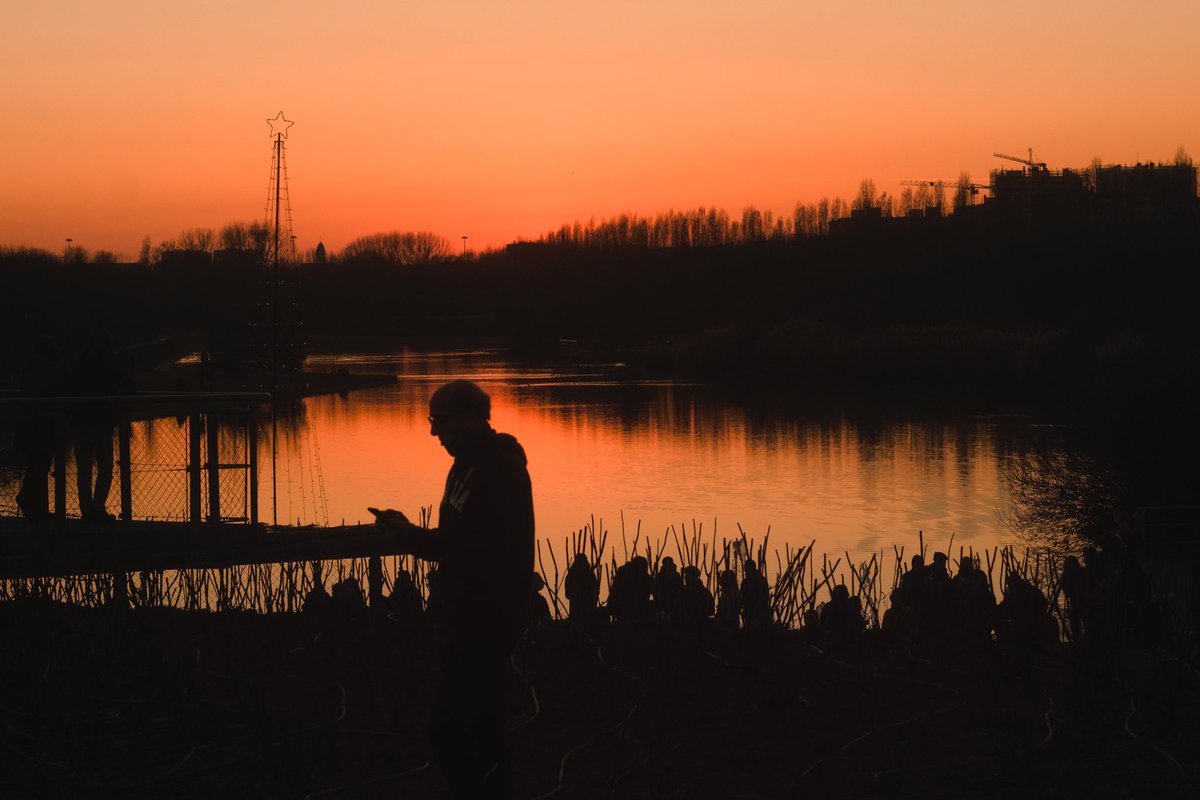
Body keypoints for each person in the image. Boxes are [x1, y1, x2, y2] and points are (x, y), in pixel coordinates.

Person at [372, 379, 534, 799]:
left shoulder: (497, 470)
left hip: (487, 617)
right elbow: (460, 537)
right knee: (482, 726)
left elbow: (467, 548)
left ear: (467, 419)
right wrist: (409, 529)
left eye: (439, 421)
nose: (433, 432)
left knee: (448, 730)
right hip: (467, 615)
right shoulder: (466, 462)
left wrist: (408, 537)